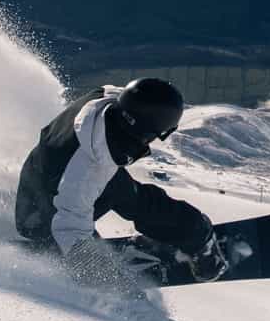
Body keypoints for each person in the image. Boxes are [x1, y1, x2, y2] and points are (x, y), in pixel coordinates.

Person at [15, 78, 228, 284]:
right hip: (42, 212)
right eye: (158, 134)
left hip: (41, 174)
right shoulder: (88, 169)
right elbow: (70, 228)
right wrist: (114, 286)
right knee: (119, 204)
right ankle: (193, 231)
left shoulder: (108, 103)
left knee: (131, 196)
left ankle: (192, 230)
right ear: (143, 131)